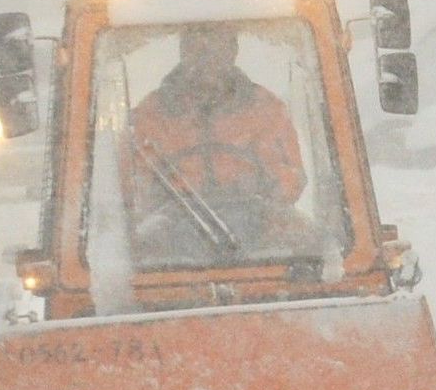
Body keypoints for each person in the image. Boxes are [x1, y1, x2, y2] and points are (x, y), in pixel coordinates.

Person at [128, 25, 306, 259]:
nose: (207, 56)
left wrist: (261, 190)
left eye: (217, 45)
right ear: (184, 51)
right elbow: (132, 186)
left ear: (233, 49)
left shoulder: (264, 108)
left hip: (257, 235)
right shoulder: (152, 114)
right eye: (198, 47)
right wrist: (164, 199)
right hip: (173, 241)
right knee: (131, 256)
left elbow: (290, 176)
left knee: (317, 250)